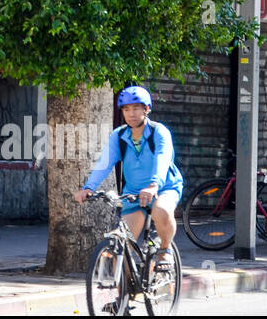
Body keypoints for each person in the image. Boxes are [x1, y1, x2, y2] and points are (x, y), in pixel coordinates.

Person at [74, 85, 184, 270]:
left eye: (136, 108)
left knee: (162, 211)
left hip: (164, 188)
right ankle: (124, 293)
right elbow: (105, 163)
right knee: (120, 244)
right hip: (133, 193)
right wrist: (88, 188)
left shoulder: (159, 132)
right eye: (126, 109)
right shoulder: (119, 136)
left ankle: (165, 250)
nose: (131, 113)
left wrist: (154, 185)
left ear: (146, 109)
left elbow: (162, 159)